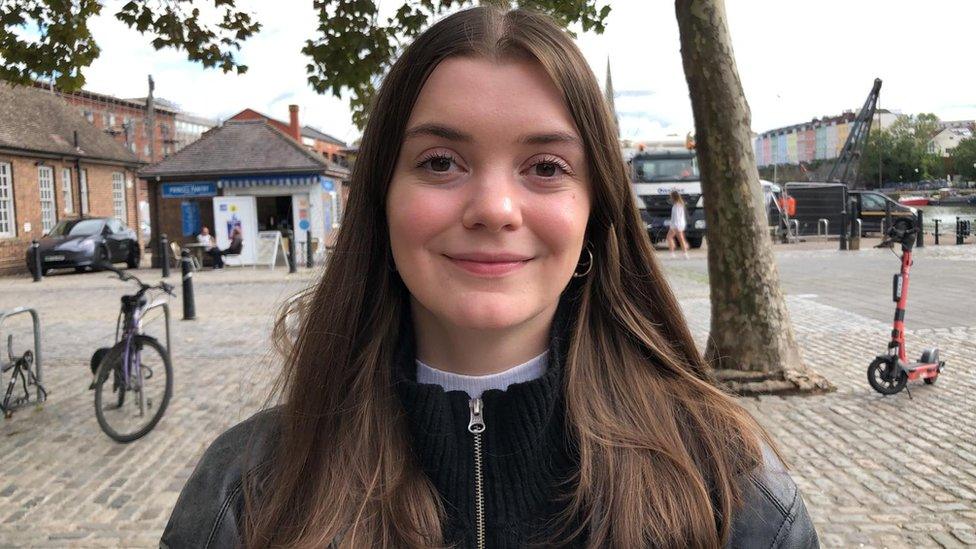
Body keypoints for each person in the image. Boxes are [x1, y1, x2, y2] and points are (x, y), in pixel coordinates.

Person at [161, 7, 818, 548]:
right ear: (381, 198)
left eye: (546, 167)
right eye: (442, 161)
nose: (495, 209)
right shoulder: (245, 494)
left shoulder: (732, 493)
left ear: (594, 211)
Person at [667, 189, 690, 258]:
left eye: (671, 196)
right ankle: (678, 253)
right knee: (674, 238)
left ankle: (681, 253)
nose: (670, 198)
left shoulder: (676, 206)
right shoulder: (680, 204)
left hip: (676, 225)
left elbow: (677, 217)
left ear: (673, 197)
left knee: (678, 239)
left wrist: (675, 226)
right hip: (678, 224)